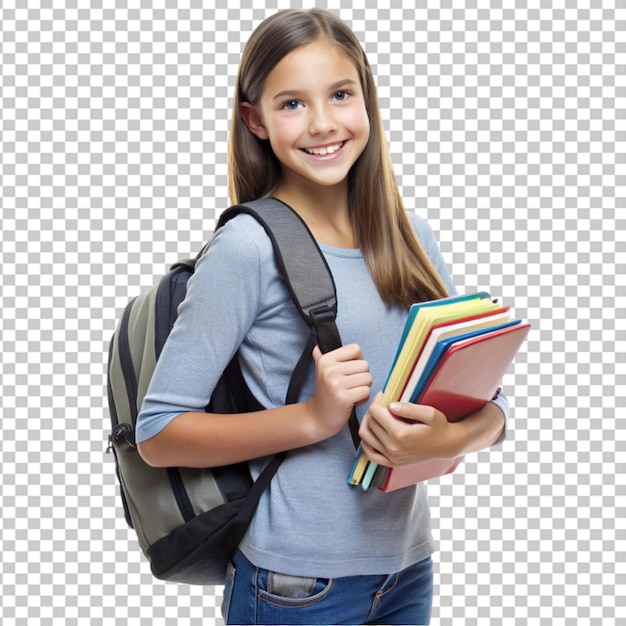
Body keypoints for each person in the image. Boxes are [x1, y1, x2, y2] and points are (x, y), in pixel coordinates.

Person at [136, 8, 508, 625]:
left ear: (367, 97)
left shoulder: (411, 237)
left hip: (407, 570)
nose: (323, 123)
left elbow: (486, 405)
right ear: (254, 119)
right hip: (295, 584)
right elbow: (159, 432)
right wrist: (313, 417)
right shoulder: (248, 249)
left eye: (340, 94)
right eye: (291, 104)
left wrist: (452, 437)